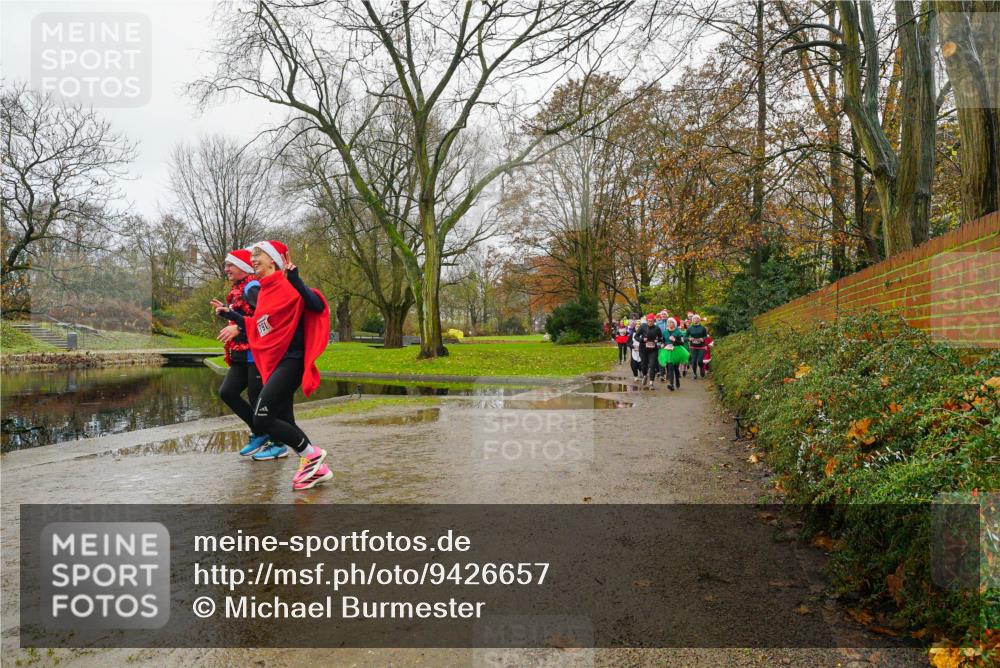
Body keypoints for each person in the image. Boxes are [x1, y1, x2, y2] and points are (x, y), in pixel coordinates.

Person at [216, 240, 332, 490]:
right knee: (285, 421)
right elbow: (261, 326)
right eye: (252, 255)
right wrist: (232, 316)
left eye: (258, 254)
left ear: (273, 260)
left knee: (262, 418)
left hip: (292, 360)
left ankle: (312, 456)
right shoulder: (266, 290)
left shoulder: (288, 285)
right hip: (276, 362)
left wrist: (297, 281)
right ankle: (316, 469)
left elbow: (317, 305)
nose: (253, 259)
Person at [212, 249, 287, 461]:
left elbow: (266, 319)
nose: (226, 269)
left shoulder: (253, 287)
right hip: (239, 354)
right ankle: (261, 432)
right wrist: (226, 312)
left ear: (243, 267)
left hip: (255, 354)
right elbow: (243, 315)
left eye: (230, 265)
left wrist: (239, 328)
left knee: (259, 401)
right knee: (228, 392)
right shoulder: (238, 289)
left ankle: (278, 443)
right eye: (226, 265)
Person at [635, 313, 664, 387]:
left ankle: (651, 382)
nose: (650, 322)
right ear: (646, 320)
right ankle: (645, 375)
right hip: (643, 349)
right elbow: (636, 336)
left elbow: (661, 338)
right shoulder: (642, 327)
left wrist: (658, 340)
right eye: (649, 321)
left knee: (652, 365)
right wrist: (642, 339)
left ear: (654, 321)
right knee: (643, 365)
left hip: (653, 350)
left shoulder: (657, 328)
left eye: (651, 321)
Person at [661, 317, 688, 391]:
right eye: (669, 322)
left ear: (675, 324)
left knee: (675, 368)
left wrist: (675, 340)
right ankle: (671, 384)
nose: (670, 324)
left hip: (676, 351)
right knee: (670, 367)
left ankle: (677, 381)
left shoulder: (678, 332)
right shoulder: (665, 332)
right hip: (667, 351)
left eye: (671, 322)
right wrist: (662, 344)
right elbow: (662, 340)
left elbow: (682, 343)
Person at [686, 314, 710, 379]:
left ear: (699, 320)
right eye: (694, 319)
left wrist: (702, 339)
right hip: (693, 346)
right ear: (692, 320)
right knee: (693, 361)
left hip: (701, 346)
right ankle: (694, 374)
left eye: (697, 318)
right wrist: (689, 339)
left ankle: (702, 369)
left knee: (700, 361)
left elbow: (705, 336)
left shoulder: (703, 328)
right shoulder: (689, 328)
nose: (695, 320)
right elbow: (685, 337)